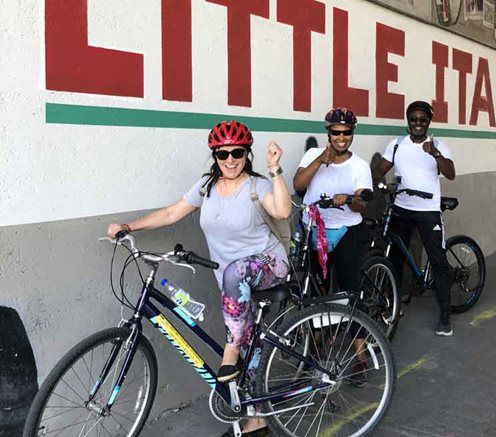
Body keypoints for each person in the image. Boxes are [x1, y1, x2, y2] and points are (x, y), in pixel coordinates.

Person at [108, 120, 291, 437]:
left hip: (268, 264)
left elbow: (283, 211)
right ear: (215, 156)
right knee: (252, 343)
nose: (230, 160)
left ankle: (230, 352)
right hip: (233, 285)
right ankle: (257, 420)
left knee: (235, 285)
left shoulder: (256, 186)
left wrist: (275, 169)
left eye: (237, 153)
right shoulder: (206, 187)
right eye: (223, 154)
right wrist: (129, 226)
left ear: (247, 154)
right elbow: (170, 213)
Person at [293, 107, 373, 384]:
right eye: (336, 132)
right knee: (316, 291)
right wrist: (319, 161)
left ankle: (361, 357)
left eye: (346, 132)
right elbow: (298, 184)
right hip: (313, 231)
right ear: (328, 133)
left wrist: (349, 198)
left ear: (352, 134)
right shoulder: (313, 156)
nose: (341, 137)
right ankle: (315, 348)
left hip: (345, 232)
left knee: (351, 293)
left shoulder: (360, 166)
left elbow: (362, 203)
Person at [373, 101, 456, 336]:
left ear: (429, 122)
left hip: (428, 210)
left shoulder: (438, 145)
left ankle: (445, 316)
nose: (418, 123)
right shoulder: (397, 144)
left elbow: (450, 173)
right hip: (401, 207)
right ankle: (393, 307)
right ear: (408, 120)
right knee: (395, 260)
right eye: (413, 119)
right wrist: (376, 182)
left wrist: (435, 154)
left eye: (422, 119)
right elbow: (379, 170)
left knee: (437, 260)